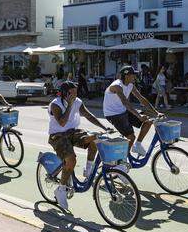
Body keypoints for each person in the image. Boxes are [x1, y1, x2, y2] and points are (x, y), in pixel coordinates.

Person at [48, 81, 109, 210]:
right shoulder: (55, 104)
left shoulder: (77, 102)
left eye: (76, 91)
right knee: (71, 160)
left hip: (73, 132)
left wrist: (105, 127)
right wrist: (69, 105)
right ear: (65, 93)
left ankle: (88, 170)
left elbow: (88, 115)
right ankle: (61, 190)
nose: (76, 94)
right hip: (58, 135)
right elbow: (62, 123)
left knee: (94, 139)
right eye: (72, 92)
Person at [103, 66, 162, 158]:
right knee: (131, 137)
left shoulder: (130, 85)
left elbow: (141, 99)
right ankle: (123, 160)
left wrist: (156, 112)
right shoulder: (117, 86)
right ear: (126, 76)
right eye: (133, 75)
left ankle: (137, 145)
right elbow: (125, 103)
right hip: (113, 114)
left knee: (149, 120)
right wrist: (138, 116)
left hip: (123, 110)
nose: (135, 77)